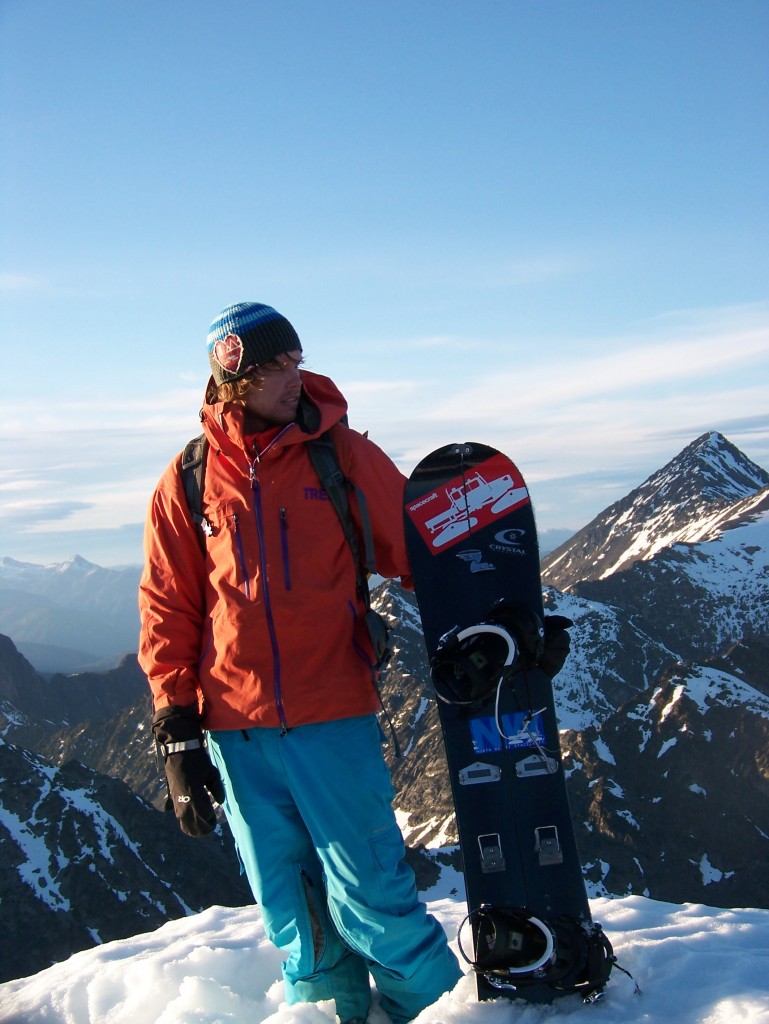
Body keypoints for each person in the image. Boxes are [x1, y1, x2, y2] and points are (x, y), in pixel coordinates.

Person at [138, 302, 463, 1024]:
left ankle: (439, 1013)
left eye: (295, 361)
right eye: (275, 367)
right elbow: (168, 607)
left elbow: (415, 551)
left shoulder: (341, 455)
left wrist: (485, 614)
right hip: (235, 732)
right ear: (234, 378)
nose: (294, 376)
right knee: (292, 910)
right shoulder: (188, 478)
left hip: (331, 715)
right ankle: (325, 1015)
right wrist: (177, 731)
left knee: (373, 898)